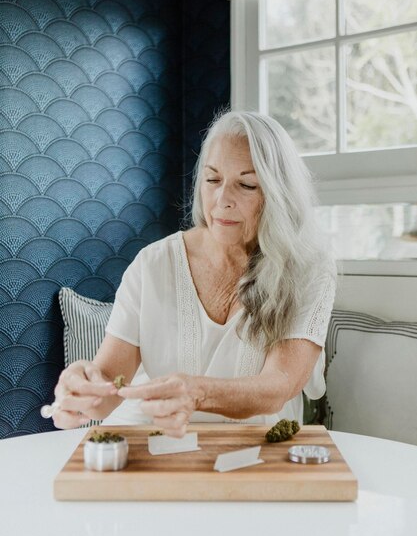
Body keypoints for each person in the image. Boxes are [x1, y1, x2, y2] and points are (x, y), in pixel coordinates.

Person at [53, 110, 336, 437]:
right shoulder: (153, 263)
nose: (222, 200)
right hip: (150, 440)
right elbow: (108, 385)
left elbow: (278, 385)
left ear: (278, 194)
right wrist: (82, 389)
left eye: (246, 184)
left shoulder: (309, 271)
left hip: (253, 452)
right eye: (212, 179)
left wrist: (197, 392)